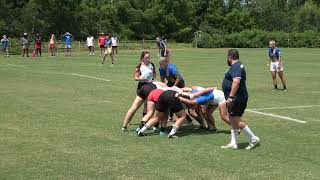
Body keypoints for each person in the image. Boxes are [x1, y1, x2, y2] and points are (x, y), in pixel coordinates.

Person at [221, 49, 260, 150]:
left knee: (235, 120)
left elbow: (236, 82)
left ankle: (253, 138)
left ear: (230, 57)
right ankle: (233, 143)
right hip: (236, 98)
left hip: (237, 98)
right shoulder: (236, 66)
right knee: (232, 119)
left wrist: (230, 97)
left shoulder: (236, 66)